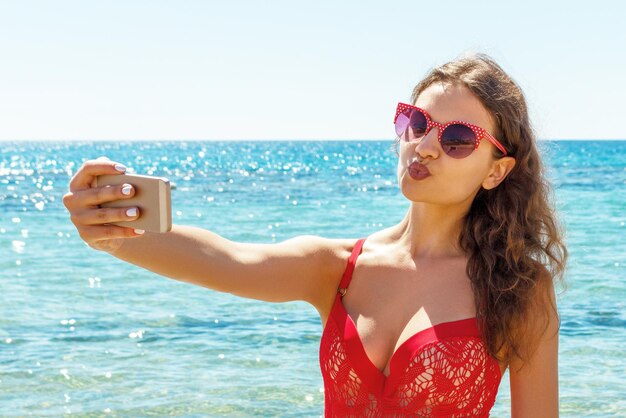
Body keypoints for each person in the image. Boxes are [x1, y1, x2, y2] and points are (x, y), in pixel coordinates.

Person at [63, 52, 567, 417]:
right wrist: (116, 232)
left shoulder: (518, 291)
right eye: (416, 123)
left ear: (496, 171)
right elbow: (231, 258)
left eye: (457, 138)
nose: (425, 146)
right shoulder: (338, 268)